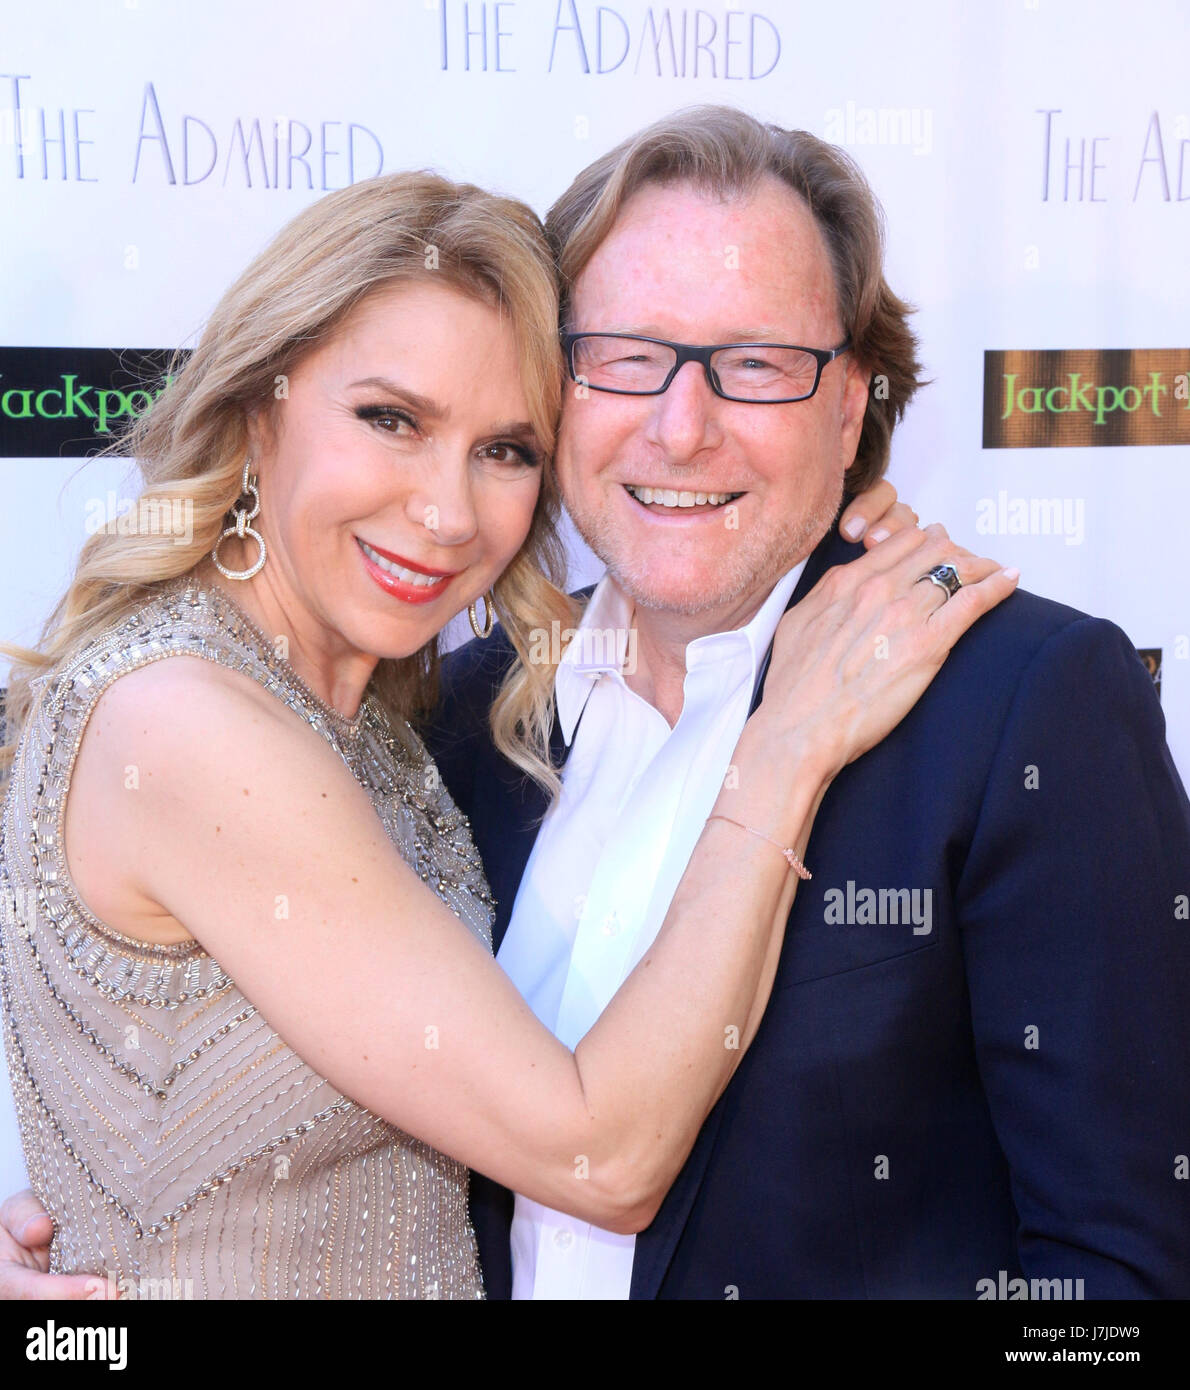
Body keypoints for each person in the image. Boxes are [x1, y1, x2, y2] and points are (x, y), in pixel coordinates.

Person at [0, 165, 997, 1299]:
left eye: (505, 448)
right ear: (261, 402)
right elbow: (598, 1155)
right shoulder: (185, 722)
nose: (447, 509)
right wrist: (786, 733)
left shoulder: (430, 722)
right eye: (390, 419)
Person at [423, 107, 1190, 1299]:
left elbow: (1121, 1273)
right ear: (551, 383)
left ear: (849, 409)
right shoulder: (458, 715)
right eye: (626, 353)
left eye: (758, 364)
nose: (681, 428)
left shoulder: (1024, 707)